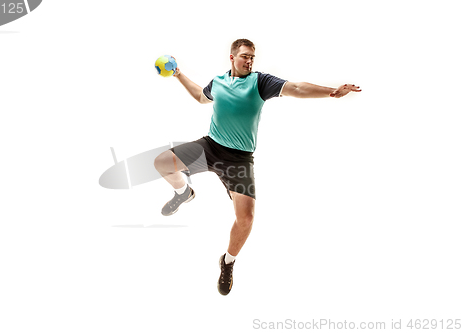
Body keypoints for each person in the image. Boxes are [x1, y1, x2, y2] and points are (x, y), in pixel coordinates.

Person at [154, 39, 361, 296]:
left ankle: (227, 262)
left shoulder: (260, 82)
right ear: (232, 58)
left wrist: (331, 91)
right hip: (210, 147)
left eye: (252, 57)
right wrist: (178, 74)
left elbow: (296, 87)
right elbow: (200, 96)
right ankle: (183, 193)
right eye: (244, 56)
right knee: (162, 163)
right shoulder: (218, 83)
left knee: (246, 219)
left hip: (238, 159)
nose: (249, 61)